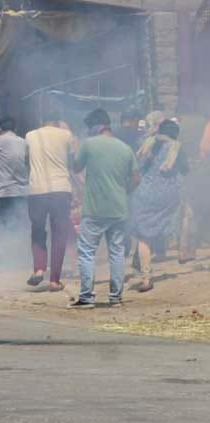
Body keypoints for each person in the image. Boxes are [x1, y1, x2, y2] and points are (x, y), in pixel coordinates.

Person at [70, 108, 139, 309]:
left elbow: (76, 167)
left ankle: (86, 298)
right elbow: (136, 178)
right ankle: (115, 298)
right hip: (119, 209)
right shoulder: (125, 148)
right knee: (117, 252)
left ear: (95, 127)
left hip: (94, 210)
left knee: (87, 252)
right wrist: (123, 192)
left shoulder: (88, 145)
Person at [130, 119, 189, 292]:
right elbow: (185, 170)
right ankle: (147, 256)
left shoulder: (146, 145)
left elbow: (136, 166)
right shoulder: (177, 149)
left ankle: (146, 278)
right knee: (159, 228)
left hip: (143, 194)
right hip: (167, 197)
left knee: (143, 235)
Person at [24, 112, 79, 291]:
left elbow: (27, 161)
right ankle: (55, 280)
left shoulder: (30, 135)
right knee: (59, 233)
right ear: (57, 122)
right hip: (60, 189)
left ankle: (39, 269)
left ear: (41, 121)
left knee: (38, 230)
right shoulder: (66, 135)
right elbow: (73, 164)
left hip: (36, 190)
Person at [0, 118, 29, 225]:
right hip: (23, 192)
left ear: (0, 129)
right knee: (20, 224)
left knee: (2, 225)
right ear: (15, 129)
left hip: (5, 192)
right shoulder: (23, 141)